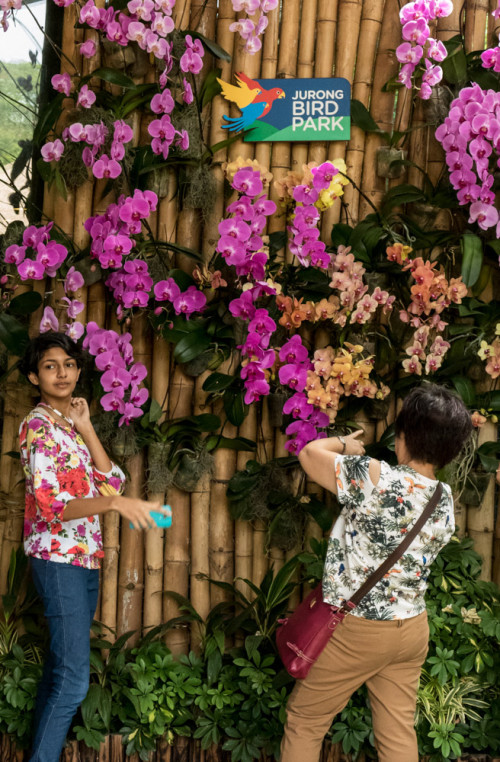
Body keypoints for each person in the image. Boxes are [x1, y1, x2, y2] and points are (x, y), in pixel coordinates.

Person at [280, 383, 473, 762]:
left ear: (403, 437)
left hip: (359, 630)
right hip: (412, 629)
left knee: (305, 720)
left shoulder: (374, 478)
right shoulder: (444, 498)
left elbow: (308, 453)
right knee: (397, 732)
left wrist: (344, 444)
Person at [19, 332, 165, 762]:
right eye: (50, 365)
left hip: (83, 559)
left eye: (68, 364)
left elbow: (111, 482)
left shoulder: (68, 427)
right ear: (34, 376)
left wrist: (85, 427)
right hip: (57, 559)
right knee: (73, 682)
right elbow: (51, 505)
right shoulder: (37, 426)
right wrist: (116, 504)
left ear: (79, 371)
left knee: (59, 674)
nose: (61, 372)